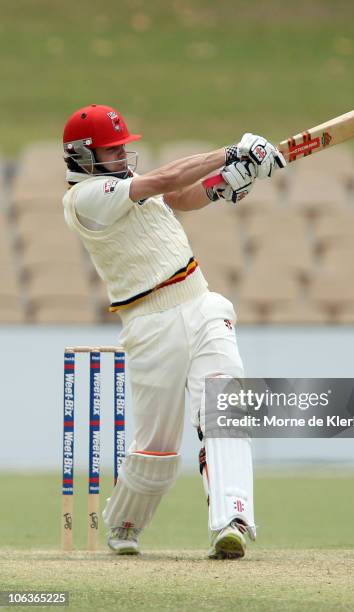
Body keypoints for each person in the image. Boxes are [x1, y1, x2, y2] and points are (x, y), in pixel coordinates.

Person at [61, 103, 285, 559]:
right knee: (157, 445)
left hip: (200, 301)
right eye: (112, 151)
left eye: (124, 150)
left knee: (225, 408)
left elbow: (180, 197)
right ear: (84, 156)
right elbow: (164, 181)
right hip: (150, 323)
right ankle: (125, 522)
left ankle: (233, 520)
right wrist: (231, 151)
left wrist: (231, 181)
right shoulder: (85, 198)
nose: (122, 158)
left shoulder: (126, 186)